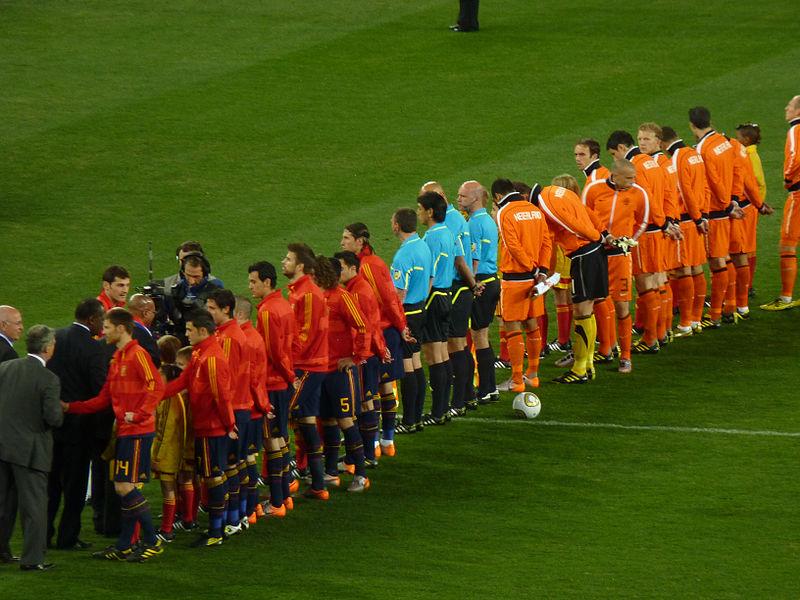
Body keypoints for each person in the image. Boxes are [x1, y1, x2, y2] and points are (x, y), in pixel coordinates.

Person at [65, 308, 164, 563]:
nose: (103, 331)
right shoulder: (117, 358)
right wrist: (72, 407)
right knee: (123, 487)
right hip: (124, 431)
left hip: (138, 432)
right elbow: (103, 399)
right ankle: (124, 546)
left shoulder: (138, 354)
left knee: (124, 486)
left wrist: (139, 415)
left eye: (107, 327)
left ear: (121, 328)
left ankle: (152, 540)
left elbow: (156, 385)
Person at [162, 310, 235, 547]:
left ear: (203, 331)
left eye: (189, 330)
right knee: (211, 477)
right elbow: (184, 381)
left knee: (214, 478)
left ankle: (217, 531)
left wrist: (228, 425)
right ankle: (217, 526)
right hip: (205, 426)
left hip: (212, 428)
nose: (186, 334)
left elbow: (221, 397)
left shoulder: (212, 358)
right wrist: (158, 395)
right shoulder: (199, 353)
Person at [531, 183, 611, 383]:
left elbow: (570, 223)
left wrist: (598, 236)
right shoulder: (559, 192)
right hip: (593, 252)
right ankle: (588, 365)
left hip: (584, 254)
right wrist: (604, 232)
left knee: (582, 312)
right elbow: (586, 211)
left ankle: (579, 370)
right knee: (588, 310)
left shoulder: (545, 202)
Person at [340, 223, 407, 456]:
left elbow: (390, 300)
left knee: (373, 388)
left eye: (347, 238)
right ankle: (383, 441)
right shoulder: (366, 265)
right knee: (380, 387)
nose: (342, 242)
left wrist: (401, 327)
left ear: (360, 242)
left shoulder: (367, 267)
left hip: (379, 333)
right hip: (377, 333)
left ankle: (379, 442)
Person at [0, 325, 63, 571]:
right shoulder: (48, 379)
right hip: (30, 451)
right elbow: (53, 418)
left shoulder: (5, 368)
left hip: (3, 446)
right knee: (34, 507)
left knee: (3, 504)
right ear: (48, 348)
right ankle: (33, 559)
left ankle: (2, 551)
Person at [46, 299, 107, 551]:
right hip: (80, 429)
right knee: (75, 488)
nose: (103, 324)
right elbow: (99, 391)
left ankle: (42, 534)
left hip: (52, 426)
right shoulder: (94, 350)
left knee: (50, 486)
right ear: (91, 319)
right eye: (101, 319)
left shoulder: (55, 338)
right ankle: (67, 538)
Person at [421, 182, 482, 417]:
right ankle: (466, 395)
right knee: (456, 345)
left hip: (453, 288)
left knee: (453, 345)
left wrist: (472, 283)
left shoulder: (449, 223)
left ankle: (458, 400)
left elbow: (459, 260)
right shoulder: (455, 220)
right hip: (457, 287)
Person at [582, 160, 649, 373]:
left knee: (621, 306)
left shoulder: (639, 194)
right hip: (597, 253)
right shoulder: (594, 189)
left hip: (620, 256)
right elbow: (584, 216)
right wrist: (596, 240)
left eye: (634, 177)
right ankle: (605, 348)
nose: (633, 182)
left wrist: (628, 240)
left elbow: (643, 221)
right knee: (599, 302)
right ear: (615, 175)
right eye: (628, 178)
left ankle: (626, 355)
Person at [315, 256, 372, 492]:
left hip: (340, 371)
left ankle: (360, 474)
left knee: (346, 420)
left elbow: (362, 326)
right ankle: (330, 472)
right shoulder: (317, 298)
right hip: (320, 369)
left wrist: (356, 357)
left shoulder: (342, 297)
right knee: (327, 420)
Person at [491, 178, 551, 392]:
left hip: (515, 279)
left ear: (498, 196)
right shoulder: (534, 210)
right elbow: (546, 241)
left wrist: (531, 268)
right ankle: (533, 375)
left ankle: (517, 380)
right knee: (532, 323)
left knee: (512, 326)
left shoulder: (504, 212)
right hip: (536, 280)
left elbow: (512, 246)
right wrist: (542, 270)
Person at [282, 243, 330, 500]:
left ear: (300, 265)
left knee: (278, 415)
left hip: (308, 367)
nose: (284, 262)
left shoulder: (308, 294)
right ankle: (318, 485)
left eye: (288, 259)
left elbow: (305, 335)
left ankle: (284, 479)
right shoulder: (299, 291)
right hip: (309, 365)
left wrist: (285, 357)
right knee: (307, 422)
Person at [688, 106, 744, 327]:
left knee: (717, 261)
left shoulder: (703, 149)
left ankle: (716, 315)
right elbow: (738, 169)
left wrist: (726, 203)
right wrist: (735, 198)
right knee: (726, 258)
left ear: (692, 125)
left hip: (715, 211)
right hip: (727, 205)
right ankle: (729, 307)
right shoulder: (724, 141)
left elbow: (712, 181)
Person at [249, 261, 296, 514]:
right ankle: (285, 496)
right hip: (282, 382)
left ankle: (277, 502)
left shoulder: (267, 311)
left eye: (254, 281)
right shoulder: (285, 304)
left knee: (271, 441)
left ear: (267, 282)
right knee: (281, 438)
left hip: (272, 382)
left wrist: (288, 375)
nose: (250, 286)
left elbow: (274, 352)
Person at [335, 250, 388, 467]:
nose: (337, 272)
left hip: (365, 356)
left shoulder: (357, 292)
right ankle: (367, 454)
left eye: (341, 268)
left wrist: (362, 355)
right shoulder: (356, 288)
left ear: (352, 268)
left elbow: (367, 327)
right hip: (369, 353)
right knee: (367, 403)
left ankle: (365, 456)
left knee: (364, 405)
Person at [206, 288, 251, 534]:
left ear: (226, 309)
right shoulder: (229, 334)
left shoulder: (229, 339)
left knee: (227, 469)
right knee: (235, 467)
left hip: (232, 410)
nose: (207, 312)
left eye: (212, 308)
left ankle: (230, 521)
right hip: (238, 409)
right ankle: (237, 517)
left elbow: (225, 382)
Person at [661, 126, 712, 336]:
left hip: (685, 220)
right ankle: (697, 319)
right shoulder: (695, 154)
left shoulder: (677, 158)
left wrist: (698, 217)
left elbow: (685, 190)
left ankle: (685, 323)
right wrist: (704, 215)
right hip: (697, 218)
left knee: (684, 270)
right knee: (696, 268)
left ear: (662, 143)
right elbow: (706, 186)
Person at [457, 180, 501, 404]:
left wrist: (472, 283)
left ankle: (485, 388)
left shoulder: (473, 224)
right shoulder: (488, 220)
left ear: (475, 198)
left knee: (478, 336)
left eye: (463, 196)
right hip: (492, 280)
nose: (459, 200)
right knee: (482, 335)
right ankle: (489, 387)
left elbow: (473, 259)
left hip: (481, 282)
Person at [390, 208, 433, 434]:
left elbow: (399, 293)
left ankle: (408, 420)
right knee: (416, 362)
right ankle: (415, 418)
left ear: (397, 226)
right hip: (420, 308)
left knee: (408, 364)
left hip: (407, 312)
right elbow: (432, 276)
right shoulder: (423, 245)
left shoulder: (403, 255)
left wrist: (397, 319)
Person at [232, 296, 273, 522]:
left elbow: (254, 379)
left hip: (250, 408)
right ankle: (252, 508)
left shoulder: (245, 340)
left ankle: (248, 510)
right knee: (248, 459)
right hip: (254, 407)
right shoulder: (251, 336)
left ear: (238, 314)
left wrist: (262, 405)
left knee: (243, 461)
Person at [417, 191, 456, 425]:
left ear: (430, 212)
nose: (419, 213)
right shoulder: (447, 233)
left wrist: (421, 300)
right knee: (442, 353)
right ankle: (444, 408)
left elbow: (429, 273)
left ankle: (438, 411)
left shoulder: (431, 237)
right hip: (447, 294)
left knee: (433, 355)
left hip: (433, 296)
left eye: (421, 209)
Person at [761, 95, 800, 310]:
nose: (786, 108)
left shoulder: (795, 130)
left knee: (787, 244)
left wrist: (787, 176)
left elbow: (796, 156)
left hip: (798, 195)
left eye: (790, 106)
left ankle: (785, 298)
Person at [735, 123, 769, 295]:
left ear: (746, 140)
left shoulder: (750, 155)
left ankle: (746, 286)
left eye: (738, 137)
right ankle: (747, 286)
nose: (736, 140)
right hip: (753, 205)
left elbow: (756, 182)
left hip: (749, 207)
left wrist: (759, 204)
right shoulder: (750, 153)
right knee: (748, 246)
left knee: (745, 247)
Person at [127, 293, 160, 367]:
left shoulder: (120, 328)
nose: (154, 316)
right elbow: (154, 363)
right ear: (145, 313)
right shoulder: (143, 335)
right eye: (153, 312)